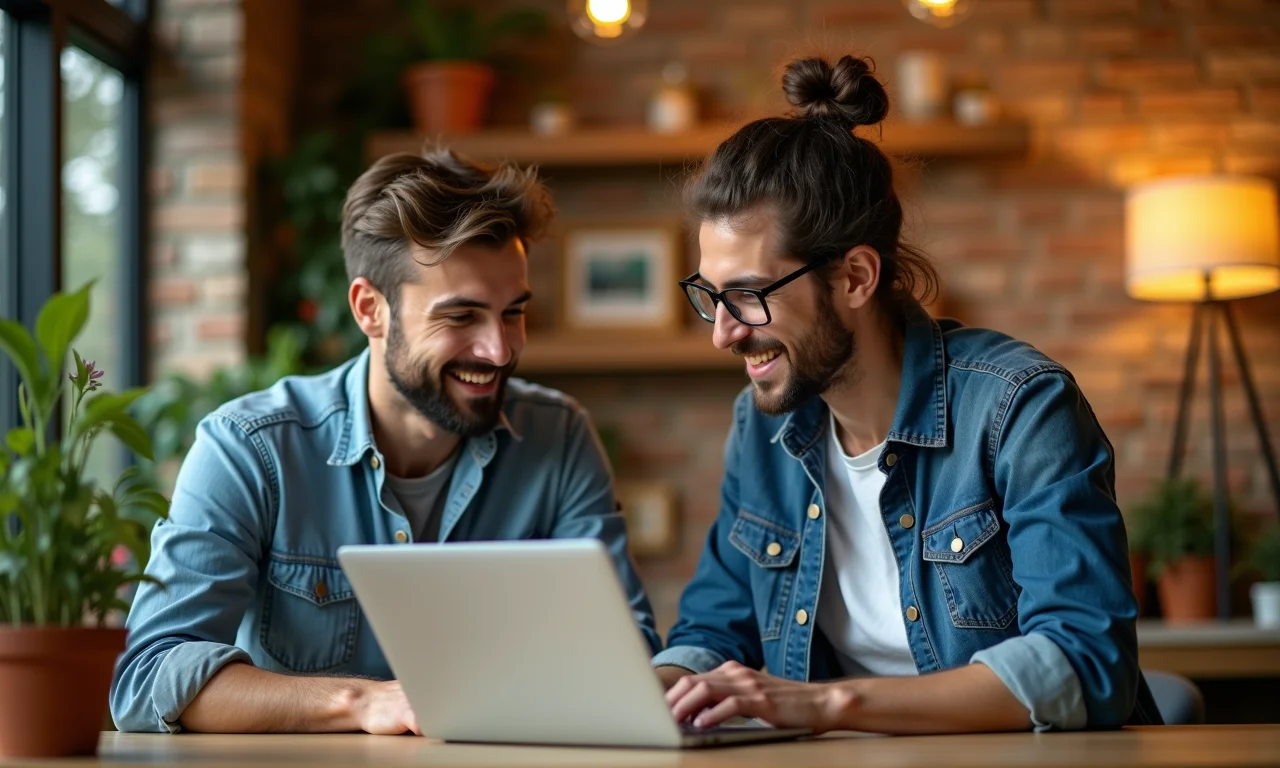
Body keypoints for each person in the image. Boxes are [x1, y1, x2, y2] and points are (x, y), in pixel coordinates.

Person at [652, 55, 1162, 734]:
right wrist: (653, 690)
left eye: (747, 296)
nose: (721, 334)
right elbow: (717, 629)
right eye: (710, 297)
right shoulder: (763, 426)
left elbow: (1085, 664)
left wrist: (833, 705)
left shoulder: (1019, 408)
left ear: (856, 277)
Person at [111, 150, 661, 734]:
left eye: (512, 313)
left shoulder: (560, 438)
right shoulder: (250, 449)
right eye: (461, 317)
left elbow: (630, 663)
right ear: (370, 309)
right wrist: (363, 702)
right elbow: (149, 679)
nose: (499, 350)